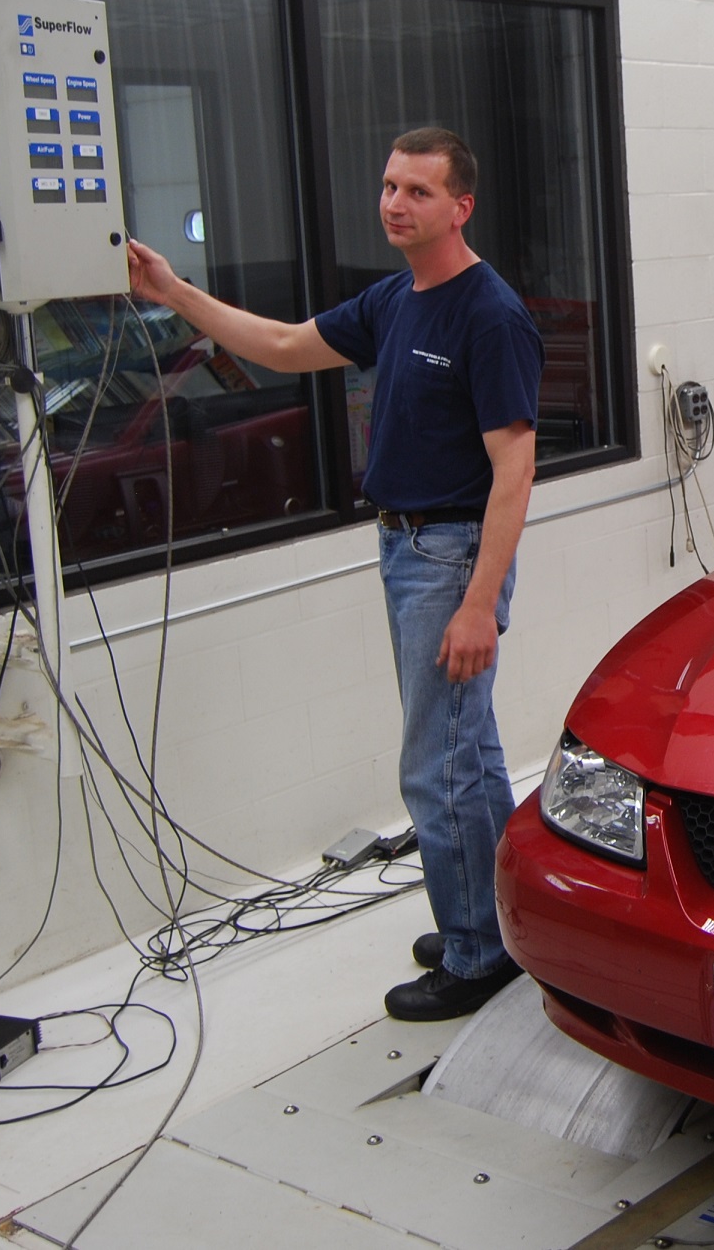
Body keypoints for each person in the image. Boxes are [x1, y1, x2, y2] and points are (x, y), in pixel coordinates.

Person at [124, 126, 542, 1021]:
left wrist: (477, 605)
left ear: (460, 207)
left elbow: (515, 470)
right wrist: (171, 292)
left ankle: (476, 956)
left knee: (439, 765)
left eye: (418, 192)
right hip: (405, 549)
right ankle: (494, 919)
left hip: (449, 557)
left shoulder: (489, 314)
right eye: (390, 186)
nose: (396, 203)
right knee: (469, 750)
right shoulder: (395, 302)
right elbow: (277, 344)